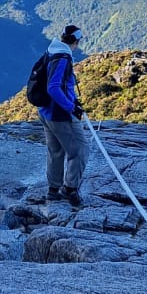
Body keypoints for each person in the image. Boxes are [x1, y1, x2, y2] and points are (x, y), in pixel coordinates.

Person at [37, 23, 88, 207]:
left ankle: (53, 190)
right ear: (75, 41)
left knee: (55, 150)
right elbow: (53, 88)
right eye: (79, 41)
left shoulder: (52, 50)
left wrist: (72, 101)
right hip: (59, 114)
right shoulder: (63, 57)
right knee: (80, 149)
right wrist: (70, 106)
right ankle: (69, 188)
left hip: (45, 111)